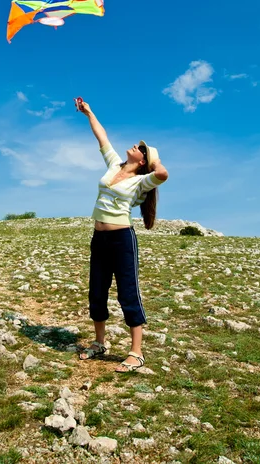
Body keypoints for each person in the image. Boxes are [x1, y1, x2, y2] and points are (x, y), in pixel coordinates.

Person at [78, 101, 168, 372]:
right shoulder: (113, 166)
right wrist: (89, 112)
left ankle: (136, 352)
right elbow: (101, 136)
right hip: (100, 238)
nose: (135, 146)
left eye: (141, 149)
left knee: (128, 292)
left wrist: (154, 160)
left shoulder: (142, 180)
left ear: (143, 161)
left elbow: (162, 173)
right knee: (97, 290)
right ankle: (99, 342)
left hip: (122, 240)